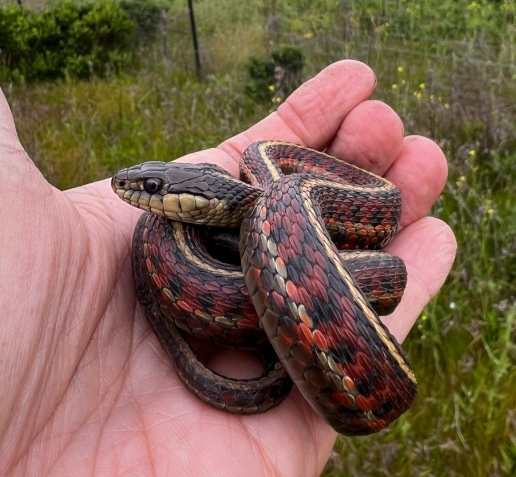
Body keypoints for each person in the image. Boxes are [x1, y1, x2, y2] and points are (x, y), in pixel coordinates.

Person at [0, 60, 455, 476]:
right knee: (345, 247)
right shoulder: (255, 195)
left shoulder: (279, 195)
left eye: (155, 189)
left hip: (364, 365)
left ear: (205, 201)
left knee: (367, 256)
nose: (141, 195)